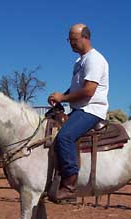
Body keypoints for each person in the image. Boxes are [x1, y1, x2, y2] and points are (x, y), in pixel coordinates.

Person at [48, 23, 109, 202]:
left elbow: (89, 91)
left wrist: (63, 98)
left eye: (74, 39)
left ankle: (69, 185)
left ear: (86, 37)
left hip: (91, 109)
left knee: (65, 137)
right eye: (69, 40)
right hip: (79, 108)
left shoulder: (94, 60)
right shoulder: (79, 61)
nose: (71, 43)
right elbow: (77, 87)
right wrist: (61, 96)